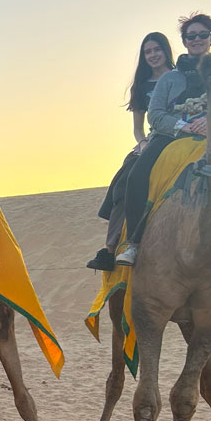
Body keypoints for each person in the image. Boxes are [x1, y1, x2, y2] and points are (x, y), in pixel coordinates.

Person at [115, 14, 211, 271]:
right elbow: (155, 114)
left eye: (202, 35)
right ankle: (133, 243)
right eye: (191, 36)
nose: (197, 40)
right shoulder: (169, 79)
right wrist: (184, 125)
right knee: (137, 175)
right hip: (170, 138)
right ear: (184, 41)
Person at [86, 32, 175, 271]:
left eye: (157, 49)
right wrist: (143, 143)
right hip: (154, 140)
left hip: (184, 138)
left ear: (166, 51)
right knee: (124, 183)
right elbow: (138, 128)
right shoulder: (142, 86)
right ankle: (111, 248)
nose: (153, 55)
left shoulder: (182, 79)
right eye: (148, 52)